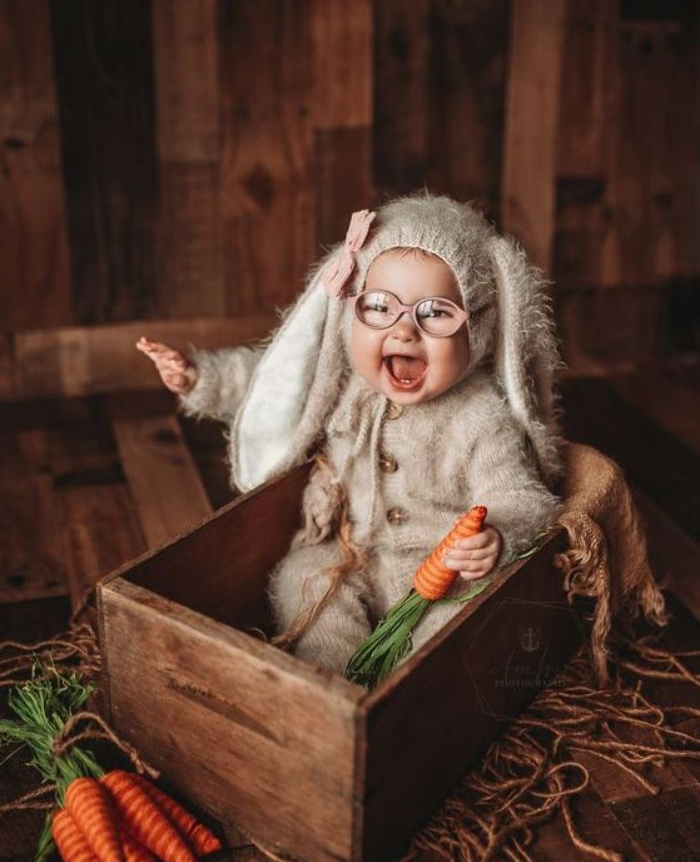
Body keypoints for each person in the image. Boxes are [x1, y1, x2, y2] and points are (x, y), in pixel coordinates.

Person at [137, 191, 567, 677]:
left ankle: (406, 690)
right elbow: (275, 383)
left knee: (462, 622)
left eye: (435, 314)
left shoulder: (481, 418)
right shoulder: (344, 387)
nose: (404, 332)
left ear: (479, 331)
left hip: (445, 577)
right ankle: (334, 681)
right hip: (355, 556)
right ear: (350, 313)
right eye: (380, 307)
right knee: (301, 577)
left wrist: (497, 537)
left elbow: (525, 499)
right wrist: (200, 377)